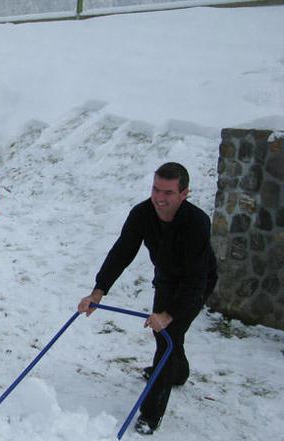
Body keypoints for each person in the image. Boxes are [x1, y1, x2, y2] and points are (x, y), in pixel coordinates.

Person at [77, 162, 218, 435]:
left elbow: (196, 279)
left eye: (168, 192)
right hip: (166, 277)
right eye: (155, 189)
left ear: (184, 193)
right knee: (165, 336)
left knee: (168, 334)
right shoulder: (142, 213)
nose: (159, 198)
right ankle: (177, 372)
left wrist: (168, 314)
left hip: (196, 281)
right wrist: (98, 291)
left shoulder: (197, 222)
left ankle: (151, 415)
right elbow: (122, 252)